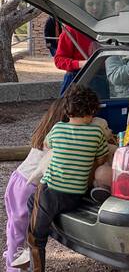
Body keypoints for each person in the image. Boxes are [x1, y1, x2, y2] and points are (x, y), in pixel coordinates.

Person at [24, 85, 109, 272]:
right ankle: (45, 222)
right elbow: (102, 158)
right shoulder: (96, 133)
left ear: (68, 111)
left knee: (35, 236)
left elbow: (47, 145)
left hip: (51, 191)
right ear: (91, 112)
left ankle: (35, 268)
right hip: (75, 196)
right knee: (32, 202)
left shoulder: (58, 128)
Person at [3, 98, 66, 272]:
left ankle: (12, 254)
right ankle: (13, 266)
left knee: (14, 226)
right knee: (20, 230)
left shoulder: (45, 132)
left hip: (17, 179)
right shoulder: (60, 137)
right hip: (28, 186)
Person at [54, 0, 105, 95]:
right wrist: (80, 64)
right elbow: (59, 60)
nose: (95, 7)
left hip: (101, 80)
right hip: (76, 79)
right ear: (83, 6)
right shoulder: (71, 30)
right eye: (90, 4)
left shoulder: (106, 29)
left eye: (98, 4)